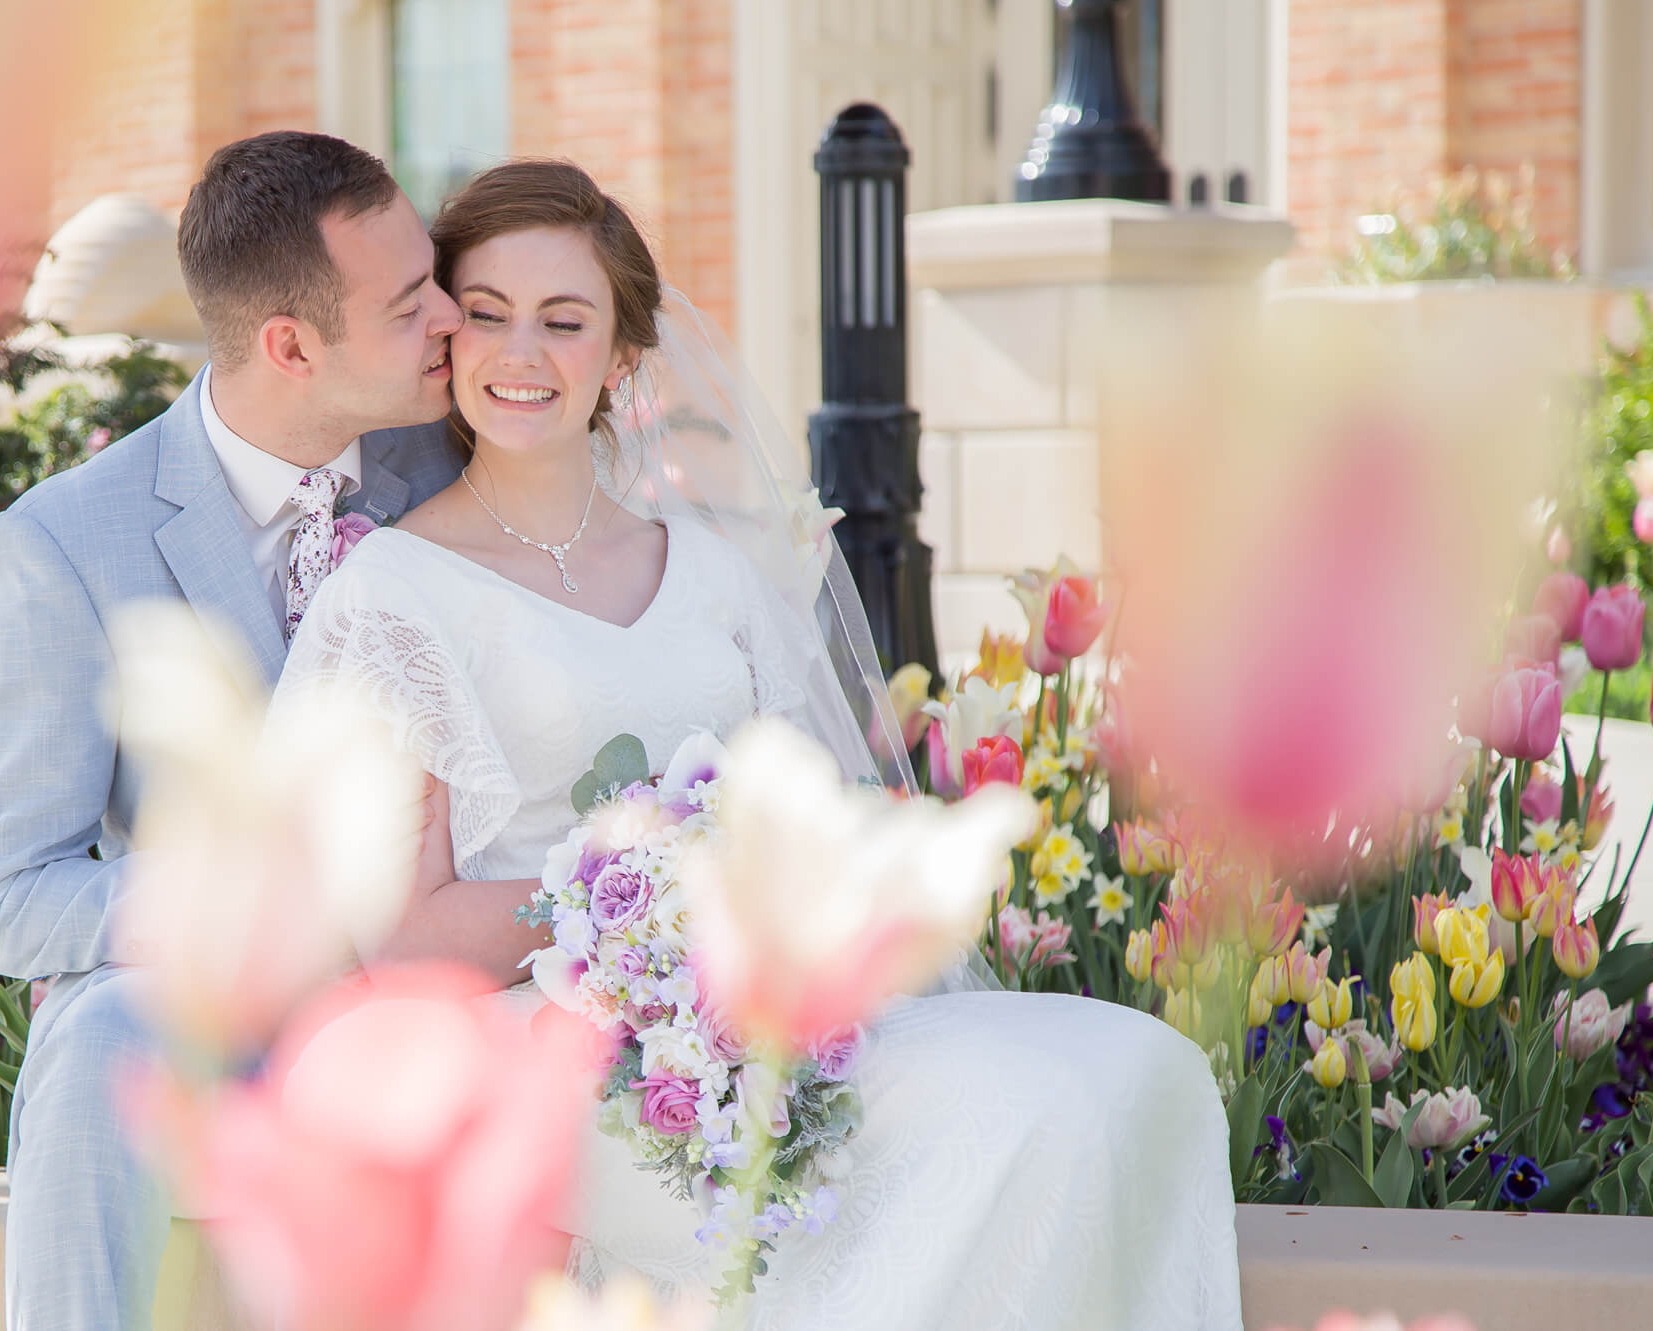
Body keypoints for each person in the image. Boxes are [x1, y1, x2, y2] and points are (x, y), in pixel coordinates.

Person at [278, 159, 1244, 1330]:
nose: (519, 353)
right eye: (485, 315)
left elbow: (821, 816)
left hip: (771, 1020)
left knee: (1139, 1070)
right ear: (446, 340)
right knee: (1020, 1110)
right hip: (553, 1051)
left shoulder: (714, 572)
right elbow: (395, 934)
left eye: (563, 320)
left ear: (620, 357)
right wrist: (639, 903)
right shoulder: (390, 594)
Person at [0, 131, 463, 1331]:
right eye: (409, 302)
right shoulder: (68, 541)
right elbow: (9, 893)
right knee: (94, 1039)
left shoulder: (464, 462)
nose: (453, 315)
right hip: (222, 1008)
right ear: (290, 345)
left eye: (433, 275)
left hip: (450, 972)